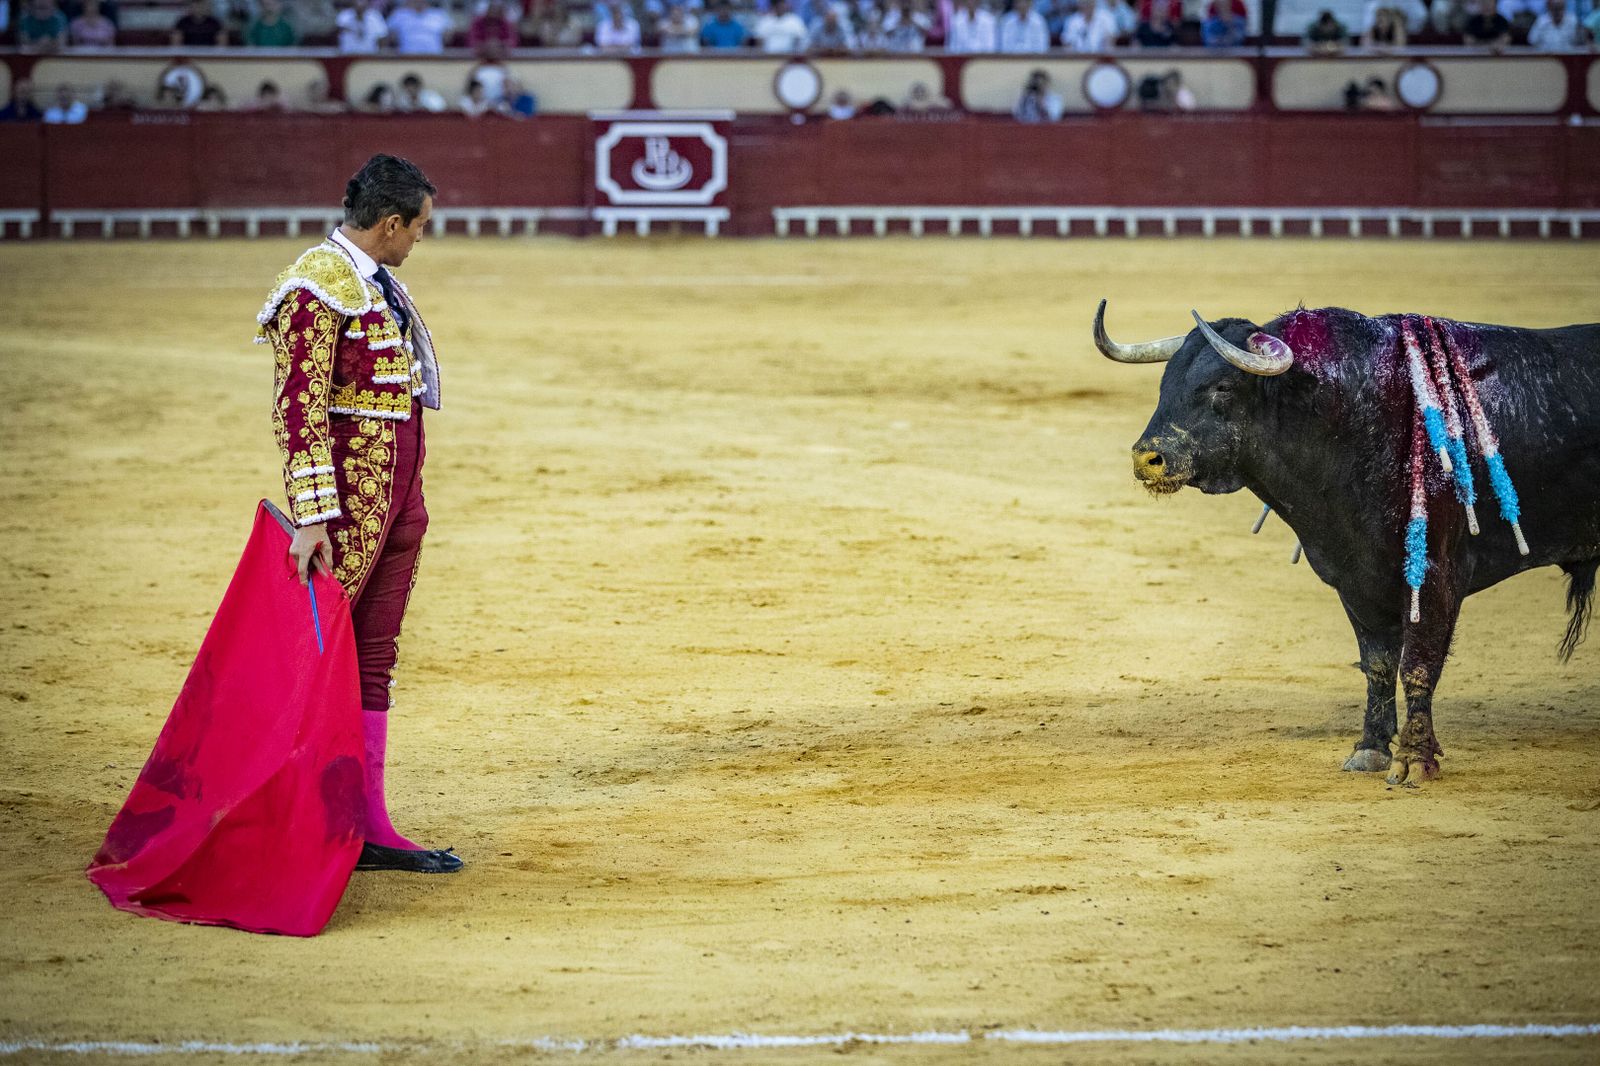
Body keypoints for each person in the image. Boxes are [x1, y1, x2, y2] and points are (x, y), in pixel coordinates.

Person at [258, 155, 458, 876]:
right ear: (392, 222)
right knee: (324, 656)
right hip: (345, 504)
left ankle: (367, 823)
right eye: (419, 229)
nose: (419, 243)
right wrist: (310, 516)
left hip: (398, 495)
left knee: (374, 656)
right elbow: (297, 407)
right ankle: (299, 812)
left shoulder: (376, 284)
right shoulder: (315, 286)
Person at [388, 0, 453, 53]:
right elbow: (391, 39)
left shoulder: (439, 14)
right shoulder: (398, 14)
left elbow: (447, 38)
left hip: (435, 58)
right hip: (406, 58)